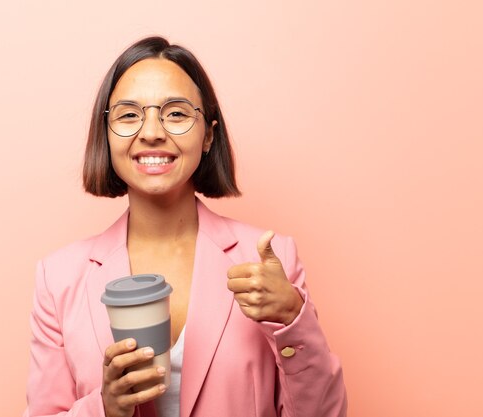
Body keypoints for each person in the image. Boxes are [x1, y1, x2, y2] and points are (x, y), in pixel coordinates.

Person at [24, 36, 347, 417]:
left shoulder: (269, 263)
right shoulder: (59, 278)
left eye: (175, 113)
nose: (152, 132)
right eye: (129, 115)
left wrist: (293, 317)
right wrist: (104, 408)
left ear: (208, 134)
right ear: (106, 134)